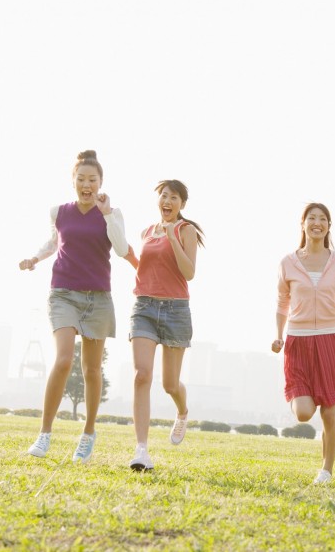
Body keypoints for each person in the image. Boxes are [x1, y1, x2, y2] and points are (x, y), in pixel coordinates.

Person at [18, 150, 137, 464]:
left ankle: (87, 433)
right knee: (63, 360)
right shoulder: (59, 211)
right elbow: (54, 242)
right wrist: (34, 258)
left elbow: (122, 248)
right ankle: (44, 434)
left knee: (92, 370)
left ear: (101, 183)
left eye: (92, 180)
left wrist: (108, 213)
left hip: (98, 298)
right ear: (73, 181)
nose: (87, 184)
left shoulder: (113, 213)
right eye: (81, 179)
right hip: (63, 294)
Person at [271, 202, 335, 484]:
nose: (317, 223)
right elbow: (282, 303)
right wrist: (278, 335)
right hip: (298, 342)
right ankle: (309, 394)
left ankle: (326, 471)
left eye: (323, 219)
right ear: (302, 224)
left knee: (330, 411)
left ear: (329, 226)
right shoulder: (287, 263)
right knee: (304, 412)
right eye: (312, 218)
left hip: (330, 340)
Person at [127, 180, 204, 471]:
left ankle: (182, 411)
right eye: (163, 196)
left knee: (169, 383)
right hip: (144, 307)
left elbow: (189, 273)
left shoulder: (187, 231)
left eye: (173, 197)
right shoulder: (147, 231)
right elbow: (147, 268)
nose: (167, 201)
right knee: (141, 375)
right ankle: (141, 450)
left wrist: (173, 237)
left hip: (175, 310)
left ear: (182, 204)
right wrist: (130, 256)